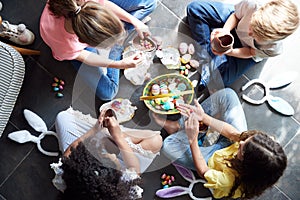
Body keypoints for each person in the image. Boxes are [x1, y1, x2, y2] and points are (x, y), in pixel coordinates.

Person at [153, 88, 287, 199]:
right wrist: (203, 117)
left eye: (243, 149)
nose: (240, 144)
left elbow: (203, 171)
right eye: (246, 141)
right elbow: (233, 135)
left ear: (247, 164)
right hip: (226, 145)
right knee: (228, 95)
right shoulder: (254, 144)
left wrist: (192, 139)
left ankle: (188, 130)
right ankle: (183, 126)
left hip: (211, 160)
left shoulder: (228, 181)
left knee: (168, 146)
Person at [40, 0, 157, 100]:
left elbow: (104, 3)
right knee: (108, 92)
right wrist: (118, 64)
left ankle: (121, 34)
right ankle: (117, 48)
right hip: (69, 47)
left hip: (79, 23)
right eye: (107, 46)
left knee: (150, 3)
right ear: (84, 42)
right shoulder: (67, 46)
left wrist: (134, 21)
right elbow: (85, 56)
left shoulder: (84, 3)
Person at [50, 107, 162, 199]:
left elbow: (67, 155)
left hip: (81, 175)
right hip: (125, 169)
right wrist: (118, 137)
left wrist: (94, 131)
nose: (111, 154)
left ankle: (106, 134)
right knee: (156, 140)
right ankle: (116, 132)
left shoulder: (71, 176)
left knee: (63, 117)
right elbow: (134, 168)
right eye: (110, 157)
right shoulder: (122, 190)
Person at [186, 0, 299, 91]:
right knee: (195, 9)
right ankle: (209, 59)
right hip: (235, 23)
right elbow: (235, 16)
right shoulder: (253, 5)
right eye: (252, 27)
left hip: (246, 50)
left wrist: (229, 51)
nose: (249, 34)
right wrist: (225, 31)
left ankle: (208, 56)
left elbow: (250, 52)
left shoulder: (273, 49)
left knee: (222, 80)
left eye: (255, 36)